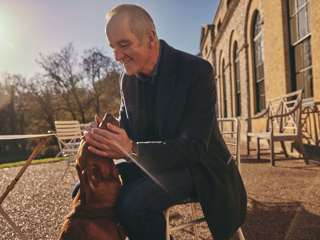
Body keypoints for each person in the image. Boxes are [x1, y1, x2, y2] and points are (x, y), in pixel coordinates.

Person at [84, 4, 247, 240]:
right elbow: (129, 129)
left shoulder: (197, 71)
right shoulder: (128, 80)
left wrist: (130, 148)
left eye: (124, 44)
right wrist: (105, 135)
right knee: (86, 189)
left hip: (200, 169)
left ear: (150, 37)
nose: (117, 57)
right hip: (153, 163)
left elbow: (194, 148)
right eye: (113, 47)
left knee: (133, 204)